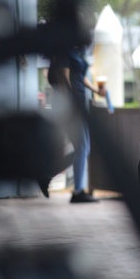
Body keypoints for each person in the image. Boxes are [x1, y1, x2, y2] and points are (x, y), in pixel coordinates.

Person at [50, 42, 107, 203]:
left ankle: (50, 172)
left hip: (80, 103)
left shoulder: (77, 52)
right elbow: (63, 77)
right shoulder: (64, 51)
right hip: (71, 104)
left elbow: (80, 77)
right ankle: (78, 191)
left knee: (84, 147)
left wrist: (96, 90)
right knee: (81, 146)